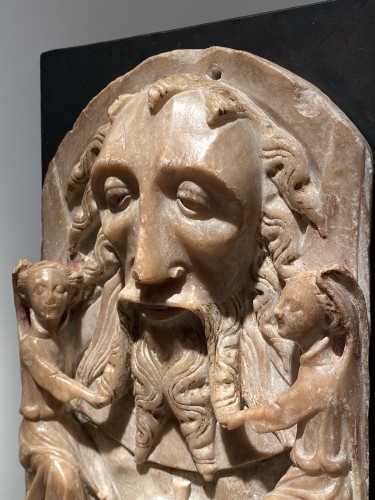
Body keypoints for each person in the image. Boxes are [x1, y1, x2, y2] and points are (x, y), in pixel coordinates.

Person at [223, 269, 357, 499]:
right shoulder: (319, 362)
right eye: (282, 301)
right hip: (306, 473)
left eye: (294, 307)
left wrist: (239, 417)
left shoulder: (321, 376)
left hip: (318, 481)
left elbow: (279, 414)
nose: (277, 311)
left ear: (327, 319)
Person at [14, 260, 113, 499]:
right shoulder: (30, 346)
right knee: (65, 480)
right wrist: (91, 395)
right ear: (28, 298)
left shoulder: (66, 334)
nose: (50, 297)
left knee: (104, 483)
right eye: (40, 290)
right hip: (40, 433)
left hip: (67, 427)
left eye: (60, 290)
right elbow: (54, 380)